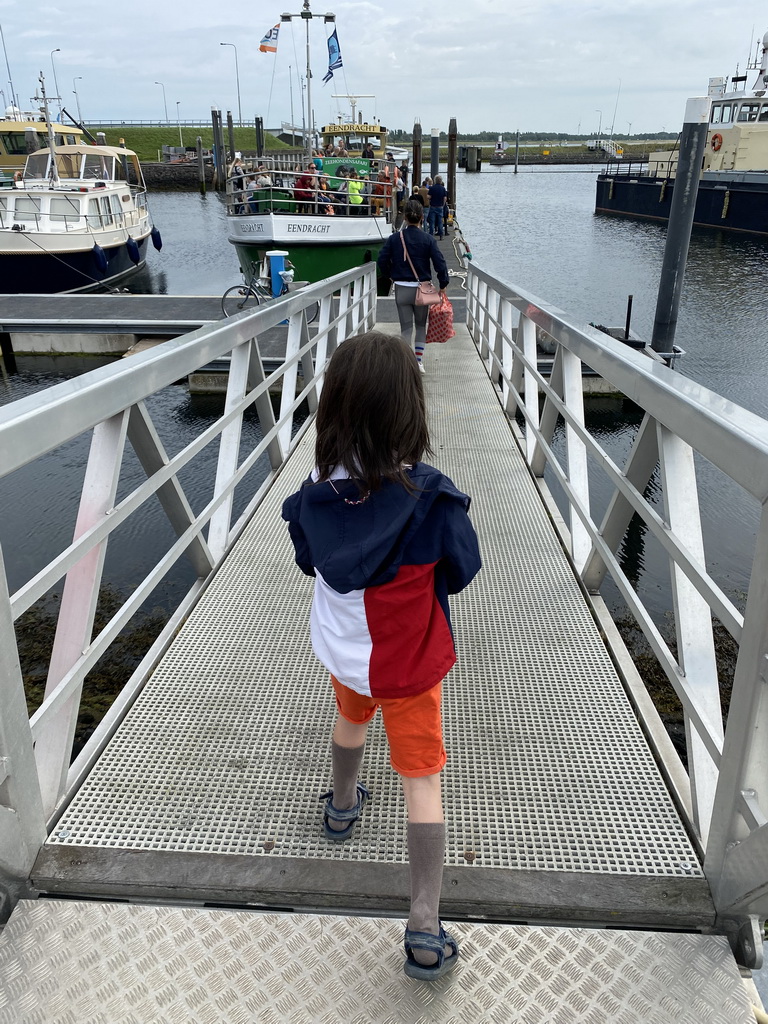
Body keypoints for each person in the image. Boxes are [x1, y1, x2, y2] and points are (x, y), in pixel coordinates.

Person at [281, 331, 481, 981]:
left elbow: (309, 560)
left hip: (346, 652)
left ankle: (342, 806)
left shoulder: (316, 489)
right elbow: (462, 568)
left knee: (350, 721)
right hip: (407, 663)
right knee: (421, 780)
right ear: (409, 412)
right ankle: (424, 926)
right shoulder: (431, 497)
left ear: (334, 407)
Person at [376, 200, 449, 371]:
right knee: (421, 325)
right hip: (422, 289)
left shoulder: (395, 238)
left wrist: (390, 276)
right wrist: (443, 283)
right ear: (422, 217)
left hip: (402, 288)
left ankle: (405, 362)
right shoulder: (428, 239)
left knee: (406, 327)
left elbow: (382, 260)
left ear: (405, 218)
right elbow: (440, 262)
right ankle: (418, 361)